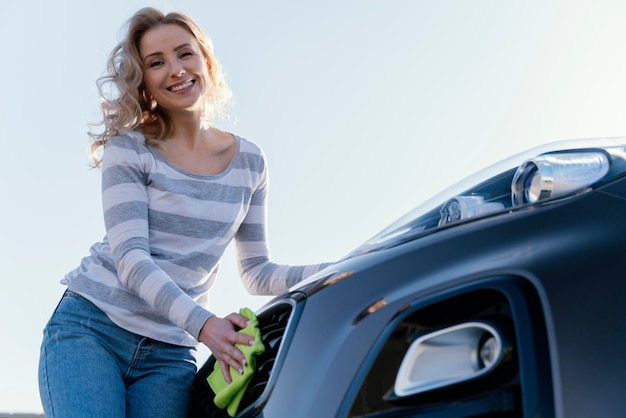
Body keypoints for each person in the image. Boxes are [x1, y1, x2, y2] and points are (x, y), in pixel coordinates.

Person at [38, 7, 331, 417]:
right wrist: (205, 325)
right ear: (144, 82)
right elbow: (132, 260)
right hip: (92, 330)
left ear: (206, 61)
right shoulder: (129, 149)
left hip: (169, 354)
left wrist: (341, 269)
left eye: (184, 54)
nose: (175, 69)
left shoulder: (250, 162)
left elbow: (257, 272)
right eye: (156, 63)